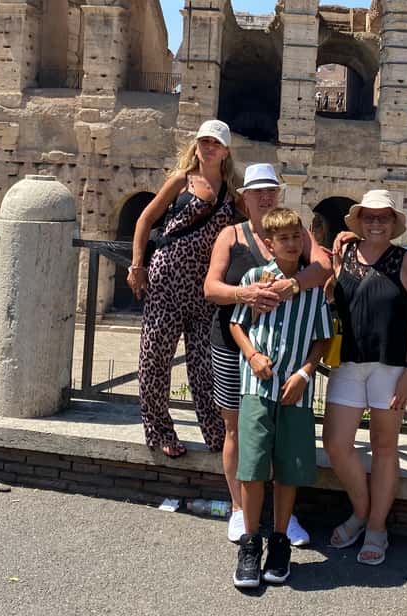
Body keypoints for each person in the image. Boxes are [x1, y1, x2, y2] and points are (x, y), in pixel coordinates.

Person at [204, 163, 331, 544]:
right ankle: (239, 509)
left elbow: (324, 267)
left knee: (281, 437)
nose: (264, 196)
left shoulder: (295, 232)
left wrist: (293, 285)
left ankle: (281, 517)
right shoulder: (231, 234)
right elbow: (211, 288)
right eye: (257, 191)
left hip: (286, 352)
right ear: (244, 198)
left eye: (270, 190)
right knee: (236, 429)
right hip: (235, 342)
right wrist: (246, 294)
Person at [228, 208, 332, 589]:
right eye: (282, 238)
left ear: (303, 240)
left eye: (295, 237)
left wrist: (305, 373)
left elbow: (322, 337)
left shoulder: (313, 286)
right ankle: (250, 543)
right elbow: (237, 323)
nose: (290, 243)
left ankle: (280, 541)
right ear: (270, 244)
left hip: (294, 391)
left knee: (289, 469)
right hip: (257, 387)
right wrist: (252, 356)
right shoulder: (256, 278)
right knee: (253, 467)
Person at [323, 190, 407, 566]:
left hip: (392, 365)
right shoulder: (344, 253)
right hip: (349, 363)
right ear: (359, 221)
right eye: (369, 216)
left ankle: (376, 527)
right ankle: (363, 510)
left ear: (393, 222)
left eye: (384, 217)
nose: (376, 223)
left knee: (385, 447)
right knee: (336, 443)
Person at [127, 119, 243, 458]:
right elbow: (145, 219)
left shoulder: (232, 193)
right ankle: (160, 430)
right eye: (204, 141)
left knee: (205, 365)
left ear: (226, 151)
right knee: (155, 357)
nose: (209, 147)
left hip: (204, 287)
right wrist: (137, 265)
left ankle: (216, 434)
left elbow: (258, 224)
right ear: (196, 146)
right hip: (166, 279)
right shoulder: (182, 180)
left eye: (215, 143)